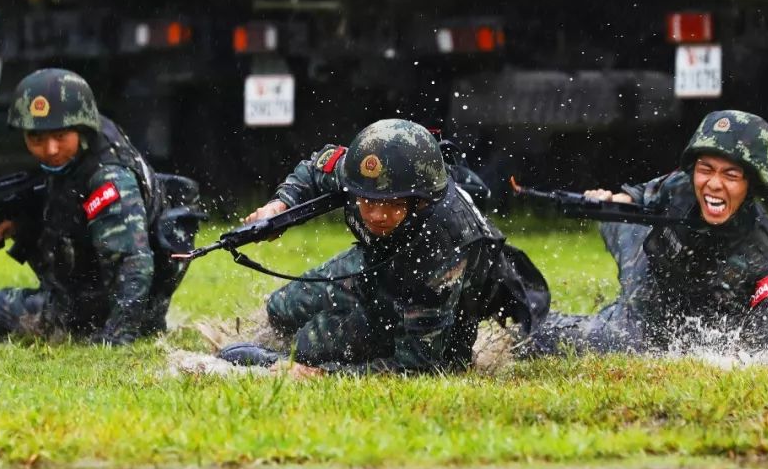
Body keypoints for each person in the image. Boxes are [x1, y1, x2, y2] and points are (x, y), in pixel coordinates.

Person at [0, 68, 197, 345]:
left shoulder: (108, 177)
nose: (49, 150)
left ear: (81, 127)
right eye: (36, 138)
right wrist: (22, 228)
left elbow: (133, 263)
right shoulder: (83, 157)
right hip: (108, 302)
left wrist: (118, 340)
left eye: (60, 136)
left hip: (97, 312)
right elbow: (77, 220)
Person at [219, 119, 550, 375]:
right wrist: (279, 207)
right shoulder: (366, 170)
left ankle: (297, 356)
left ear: (418, 201)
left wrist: (323, 375)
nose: (376, 214)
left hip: (435, 296)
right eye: (366, 200)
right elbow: (313, 171)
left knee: (312, 343)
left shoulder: (445, 243)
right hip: (377, 260)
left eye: (391, 204)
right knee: (281, 307)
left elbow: (418, 367)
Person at [528, 110, 768, 356]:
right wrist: (610, 203)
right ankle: (521, 333)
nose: (713, 184)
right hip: (650, 265)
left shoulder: (764, 252)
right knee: (612, 222)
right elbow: (643, 195)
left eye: (731, 175)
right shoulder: (681, 184)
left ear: (751, 185)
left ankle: (526, 332)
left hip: (691, 309)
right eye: (706, 170)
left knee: (640, 342)